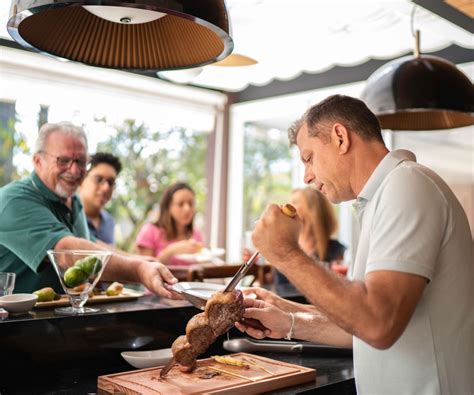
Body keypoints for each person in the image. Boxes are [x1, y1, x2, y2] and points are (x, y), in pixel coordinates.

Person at [236, 95, 474, 394]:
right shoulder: (383, 196)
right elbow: (362, 322)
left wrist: (285, 253)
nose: (307, 176)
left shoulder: (407, 185)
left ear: (339, 137)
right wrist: (288, 319)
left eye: (309, 158)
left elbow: (377, 323)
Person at [0, 122, 177, 296]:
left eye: (81, 161)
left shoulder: (72, 200)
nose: (74, 170)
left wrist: (137, 259)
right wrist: (138, 270)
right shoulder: (13, 200)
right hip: (15, 321)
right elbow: (66, 252)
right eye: (63, 160)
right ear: (38, 161)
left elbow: (89, 242)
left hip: (61, 318)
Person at [135, 182, 203, 265]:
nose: (187, 209)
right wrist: (171, 251)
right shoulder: (150, 230)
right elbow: (144, 267)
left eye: (191, 204)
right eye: (180, 204)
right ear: (168, 207)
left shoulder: (196, 234)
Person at [79, 152, 122, 245]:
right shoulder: (66, 216)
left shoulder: (109, 222)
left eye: (110, 182)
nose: (106, 187)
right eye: (99, 179)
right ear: (82, 179)